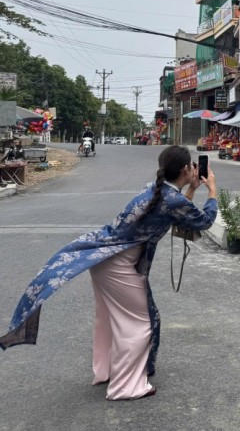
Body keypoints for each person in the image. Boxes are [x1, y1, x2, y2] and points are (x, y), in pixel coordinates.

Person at [0, 146, 217, 400]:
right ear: (185, 169)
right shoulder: (170, 198)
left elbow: (176, 212)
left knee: (113, 319)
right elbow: (203, 221)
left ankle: (111, 370)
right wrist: (212, 190)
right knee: (141, 323)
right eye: (191, 166)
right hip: (118, 265)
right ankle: (125, 387)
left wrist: (192, 189)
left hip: (107, 260)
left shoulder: (155, 190)